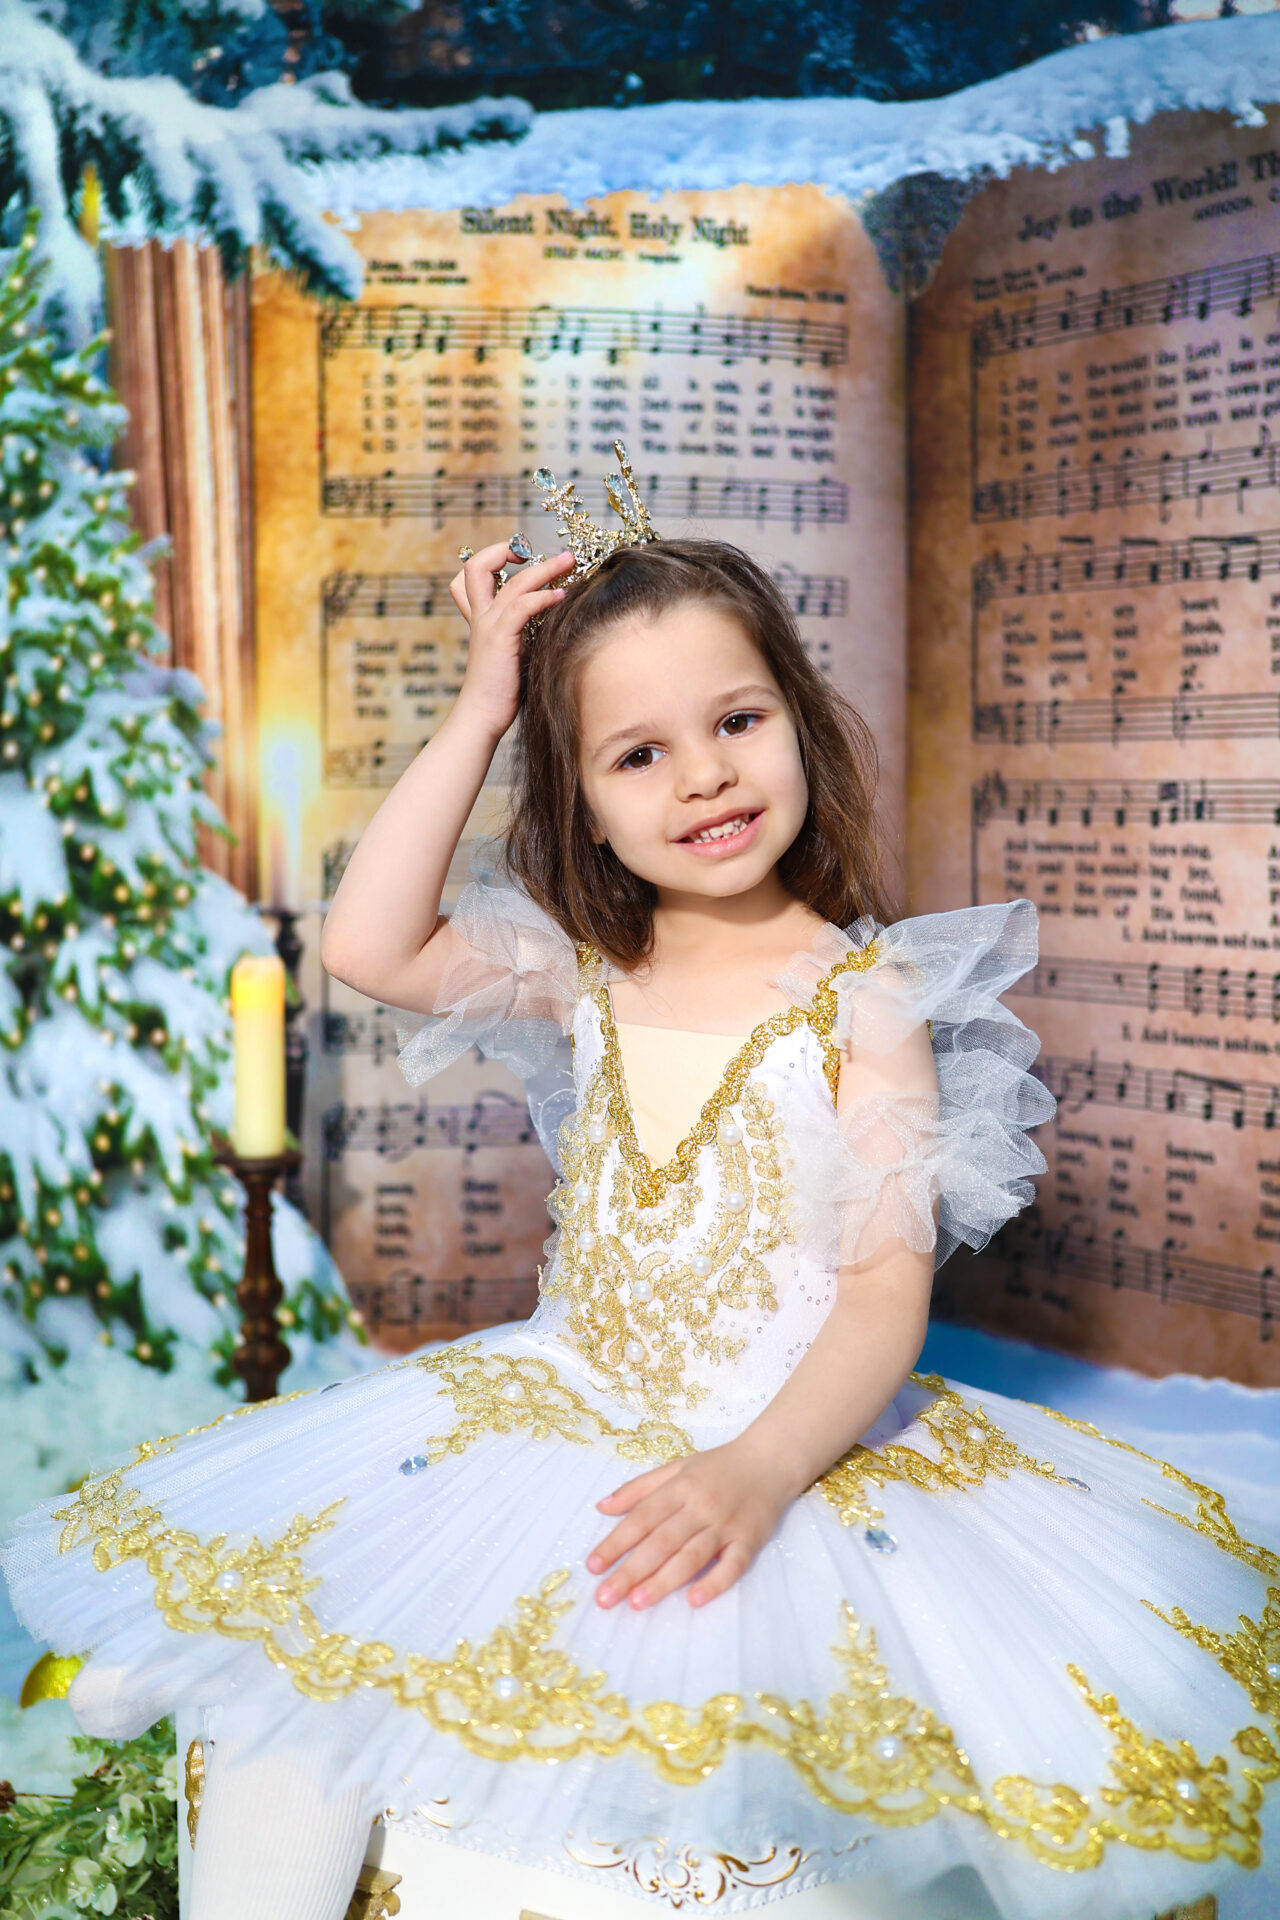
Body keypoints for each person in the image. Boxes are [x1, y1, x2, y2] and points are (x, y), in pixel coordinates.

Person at [3, 458, 1278, 1920]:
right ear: (586, 806)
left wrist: (756, 1470)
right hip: (553, 1400)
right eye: (638, 754)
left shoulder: (866, 1002)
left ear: (801, 723)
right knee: (311, 1675)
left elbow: (878, 1294)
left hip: (777, 1429)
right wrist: (487, 705)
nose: (706, 777)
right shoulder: (586, 967)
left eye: (737, 722)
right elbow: (367, 942)